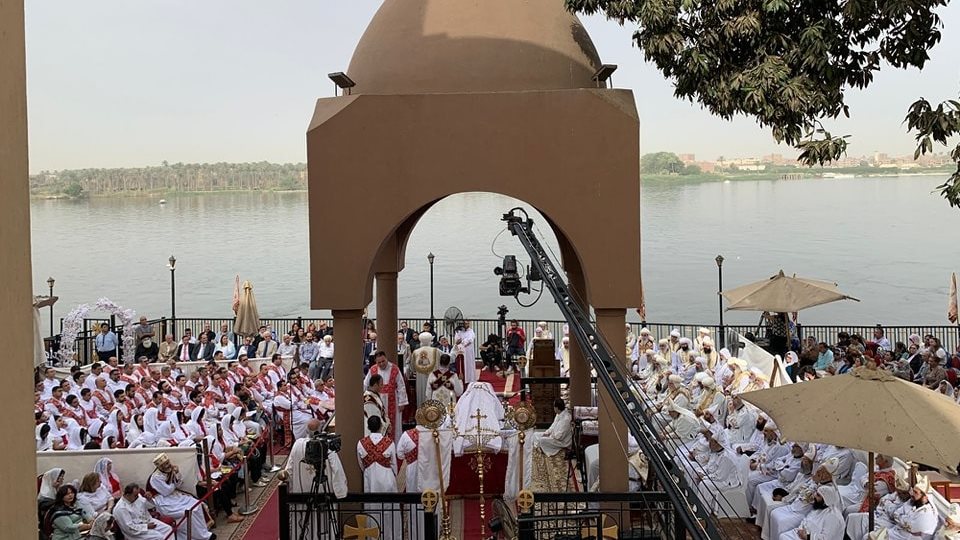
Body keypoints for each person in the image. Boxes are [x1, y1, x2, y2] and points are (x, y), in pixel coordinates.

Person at [148, 453, 215, 540]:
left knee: (196, 505)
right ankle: (199, 536)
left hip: (174, 496)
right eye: (166, 464)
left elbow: (179, 484)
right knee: (188, 511)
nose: (168, 465)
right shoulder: (156, 477)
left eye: (168, 463)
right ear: (161, 467)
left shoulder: (169, 471)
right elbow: (167, 491)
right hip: (163, 500)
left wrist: (177, 473)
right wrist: (173, 477)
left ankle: (204, 532)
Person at [358, 416, 399, 540]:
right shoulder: (389, 442)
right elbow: (394, 463)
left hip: (370, 479)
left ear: (368, 427)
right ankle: (391, 536)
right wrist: (394, 475)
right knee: (389, 509)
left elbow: (361, 464)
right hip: (387, 477)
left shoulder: (361, 443)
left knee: (372, 508)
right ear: (381, 426)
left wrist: (368, 471)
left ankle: (373, 537)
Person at [868, 476, 939, 540]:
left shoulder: (927, 513)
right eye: (913, 491)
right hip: (897, 532)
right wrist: (904, 520)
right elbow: (896, 513)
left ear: (925, 497)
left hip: (908, 537)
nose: (912, 494)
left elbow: (911, 527)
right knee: (869, 536)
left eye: (915, 492)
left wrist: (902, 518)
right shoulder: (912, 502)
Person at [363, 351, 408, 443]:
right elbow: (366, 384)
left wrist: (402, 402)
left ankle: (394, 446)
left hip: (393, 401)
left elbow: (401, 386)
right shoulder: (373, 370)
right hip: (377, 400)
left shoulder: (394, 369)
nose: (381, 364)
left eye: (383, 361)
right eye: (379, 362)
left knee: (394, 425)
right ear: (376, 362)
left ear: (386, 358)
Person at [530, 398, 573, 492]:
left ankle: (540, 448)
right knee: (536, 435)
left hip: (562, 441)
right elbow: (553, 426)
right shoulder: (559, 415)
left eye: (554, 407)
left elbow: (560, 436)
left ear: (557, 408)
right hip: (553, 436)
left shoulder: (566, 418)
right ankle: (537, 448)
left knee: (542, 441)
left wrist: (551, 435)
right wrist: (547, 432)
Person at [778, 485, 844, 540]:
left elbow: (826, 538)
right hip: (803, 534)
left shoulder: (834, 517)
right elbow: (806, 520)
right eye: (816, 492)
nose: (814, 495)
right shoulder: (819, 508)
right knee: (783, 536)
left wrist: (808, 537)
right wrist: (801, 529)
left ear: (825, 499)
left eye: (818, 495)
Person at [406, 333, 440, 406]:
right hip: (433, 377)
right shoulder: (436, 351)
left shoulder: (415, 352)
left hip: (420, 378)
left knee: (421, 396)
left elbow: (412, 367)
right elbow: (448, 358)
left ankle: (421, 414)